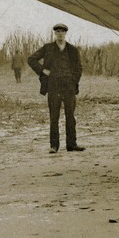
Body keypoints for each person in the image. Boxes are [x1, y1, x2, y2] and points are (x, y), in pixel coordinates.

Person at [28, 23, 84, 153]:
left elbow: (79, 68)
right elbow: (31, 59)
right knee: (54, 116)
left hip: (69, 86)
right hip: (53, 86)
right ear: (54, 33)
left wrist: (73, 80)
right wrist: (43, 71)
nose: (60, 33)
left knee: (70, 115)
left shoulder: (73, 50)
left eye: (62, 31)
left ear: (65, 33)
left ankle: (72, 144)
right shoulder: (48, 48)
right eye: (57, 31)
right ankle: (54, 146)